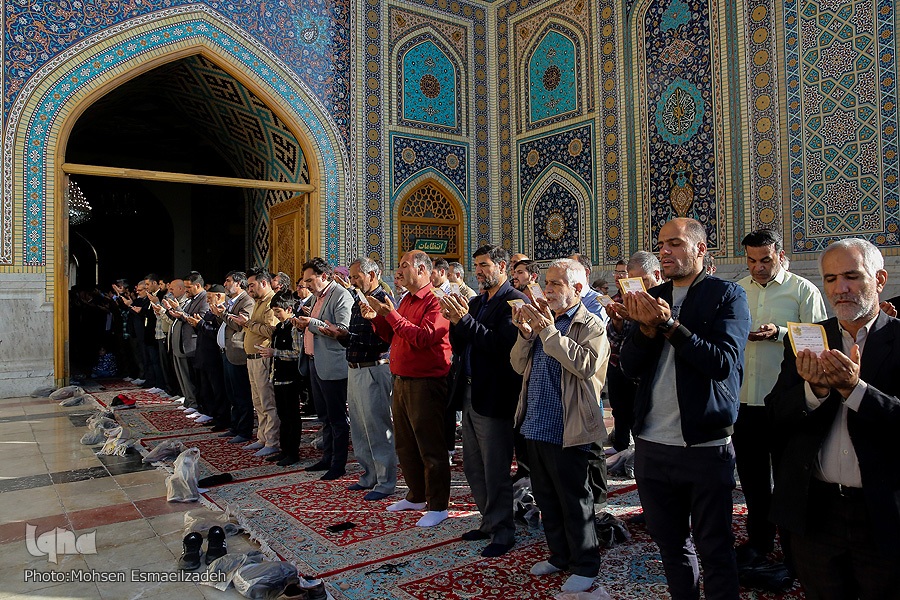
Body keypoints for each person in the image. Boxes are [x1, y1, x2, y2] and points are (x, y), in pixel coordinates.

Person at [620, 217, 750, 600]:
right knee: (672, 547)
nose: (665, 251)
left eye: (675, 244)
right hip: (652, 444)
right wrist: (646, 330)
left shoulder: (726, 295)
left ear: (700, 249)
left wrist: (669, 325)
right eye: (661, 244)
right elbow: (629, 366)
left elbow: (721, 363)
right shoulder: (653, 295)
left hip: (704, 445)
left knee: (715, 547)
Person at [764, 238, 900, 599]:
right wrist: (814, 391)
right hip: (816, 512)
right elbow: (775, 413)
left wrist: (855, 390)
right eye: (830, 279)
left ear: (879, 280)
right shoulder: (808, 339)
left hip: (881, 513)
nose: (840, 289)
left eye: (852, 277)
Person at [510, 258, 610, 594]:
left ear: (577, 288)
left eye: (556, 284)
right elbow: (517, 364)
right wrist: (526, 335)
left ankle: (586, 564)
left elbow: (585, 365)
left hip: (569, 426)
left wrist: (547, 332)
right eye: (547, 283)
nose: (547, 290)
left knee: (574, 499)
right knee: (545, 496)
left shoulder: (590, 324)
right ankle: (559, 555)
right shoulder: (543, 321)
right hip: (536, 422)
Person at [734, 229, 827, 575]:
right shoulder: (737, 290)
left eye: (765, 260)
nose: (758, 267)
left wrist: (781, 334)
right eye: (752, 261)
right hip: (745, 400)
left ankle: (794, 553)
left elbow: (817, 341)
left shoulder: (803, 291)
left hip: (787, 403)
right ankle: (759, 543)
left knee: (789, 482)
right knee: (753, 480)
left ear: (780, 255)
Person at [443, 244, 528, 557]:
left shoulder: (514, 301)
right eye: (476, 265)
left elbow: (499, 345)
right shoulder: (477, 302)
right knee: (473, 465)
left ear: (502, 267)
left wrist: (463, 320)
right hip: (469, 392)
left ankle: (504, 529)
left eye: (484, 265)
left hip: (494, 395)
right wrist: (454, 321)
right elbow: (461, 344)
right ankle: (489, 521)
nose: (478, 271)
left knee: (495, 468)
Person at [365, 250, 453, 527]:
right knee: (405, 443)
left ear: (423, 270)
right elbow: (392, 335)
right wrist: (377, 318)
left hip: (426, 382)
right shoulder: (406, 299)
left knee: (430, 446)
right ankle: (416, 496)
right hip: (402, 379)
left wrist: (391, 314)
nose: (399, 271)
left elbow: (424, 337)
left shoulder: (436, 301)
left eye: (404, 266)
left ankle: (438, 505)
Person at [322, 258, 395, 500]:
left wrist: (349, 336)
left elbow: (383, 341)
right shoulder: (358, 299)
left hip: (373, 368)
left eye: (356, 277)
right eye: (351, 277)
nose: (352, 281)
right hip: (355, 368)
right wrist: (341, 335)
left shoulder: (383, 300)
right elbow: (354, 336)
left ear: (372, 275)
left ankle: (385, 481)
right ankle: (369, 475)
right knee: (360, 427)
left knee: (376, 426)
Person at [293, 257, 353, 480]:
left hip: (332, 365)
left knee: (337, 417)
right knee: (324, 416)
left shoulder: (341, 295)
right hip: (315, 362)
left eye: (310, 280)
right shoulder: (317, 297)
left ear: (324, 276)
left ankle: (339, 463)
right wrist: (303, 324)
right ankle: (327, 457)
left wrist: (310, 323)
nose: (306, 285)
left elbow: (341, 330)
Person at [605, 251, 663, 454]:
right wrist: (618, 322)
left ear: (657, 274)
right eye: (631, 282)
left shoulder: (666, 299)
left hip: (654, 377)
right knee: (623, 411)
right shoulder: (628, 299)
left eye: (641, 281)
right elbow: (617, 339)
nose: (636, 288)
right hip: (624, 368)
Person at [231, 268, 281, 457]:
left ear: (264, 283)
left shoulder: (271, 302)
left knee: (268, 402)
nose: (249, 289)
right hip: (252, 358)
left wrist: (248, 324)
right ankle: (262, 437)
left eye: (252, 285)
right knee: (258, 401)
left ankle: (272, 440)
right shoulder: (259, 302)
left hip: (263, 358)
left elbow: (271, 331)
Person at [257, 290, 304, 467]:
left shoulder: (294, 327)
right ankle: (284, 449)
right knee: (282, 415)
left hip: (290, 378)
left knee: (292, 416)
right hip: (278, 377)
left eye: (278, 311)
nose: (276, 315)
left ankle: (293, 452)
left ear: (289, 309)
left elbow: (297, 353)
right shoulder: (280, 328)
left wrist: (275, 352)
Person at [211, 271, 255, 444]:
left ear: (238, 283)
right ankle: (235, 426)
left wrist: (222, 314)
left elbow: (239, 325)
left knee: (242, 394)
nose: (225, 284)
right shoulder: (232, 301)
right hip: (227, 352)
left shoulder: (247, 301)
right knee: (232, 394)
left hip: (238, 353)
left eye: (228, 281)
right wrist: (219, 314)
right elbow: (225, 324)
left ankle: (244, 430)